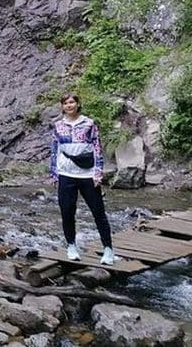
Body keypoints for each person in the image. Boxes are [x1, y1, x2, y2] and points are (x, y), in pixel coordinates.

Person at [48, 93, 114, 265]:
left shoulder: (89, 123)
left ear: (78, 104)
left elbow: (97, 147)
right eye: (66, 103)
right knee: (67, 212)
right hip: (66, 174)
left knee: (98, 212)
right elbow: (55, 149)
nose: (69, 105)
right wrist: (54, 173)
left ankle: (108, 250)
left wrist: (98, 172)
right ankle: (71, 246)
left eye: (72, 102)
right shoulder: (58, 125)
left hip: (87, 174)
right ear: (62, 106)